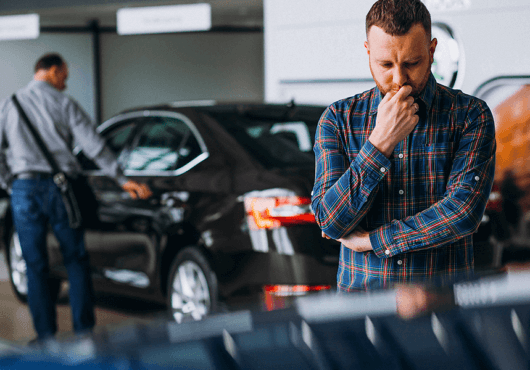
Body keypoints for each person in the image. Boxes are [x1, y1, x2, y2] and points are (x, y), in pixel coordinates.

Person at [311, 0, 496, 292]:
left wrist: (373, 241)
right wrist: (380, 143)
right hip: (361, 314)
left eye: (412, 63)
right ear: (368, 53)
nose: (399, 79)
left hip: (443, 311)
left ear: (432, 51)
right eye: (385, 64)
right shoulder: (338, 119)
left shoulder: (470, 115)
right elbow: (330, 221)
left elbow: (462, 213)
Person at [0, 53, 153, 343]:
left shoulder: (9, 104)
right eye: (64, 77)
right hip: (61, 190)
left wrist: (10, 182)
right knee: (76, 260)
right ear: (53, 71)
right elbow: (93, 145)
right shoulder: (63, 103)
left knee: (34, 264)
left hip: (24, 190)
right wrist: (122, 178)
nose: (65, 83)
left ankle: (46, 337)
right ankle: (85, 333)